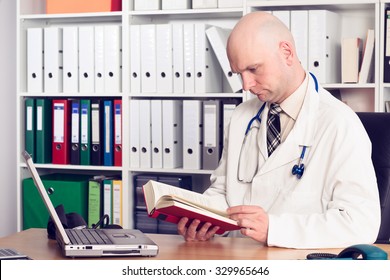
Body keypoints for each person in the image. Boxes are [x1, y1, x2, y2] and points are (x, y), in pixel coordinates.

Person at [177, 11, 381, 249]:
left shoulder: (339, 123)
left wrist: (274, 229)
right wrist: (204, 219)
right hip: (239, 260)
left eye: (253, 69)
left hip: (298, 265)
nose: (245, 85)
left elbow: (360, 224)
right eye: (238, 74)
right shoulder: (242, 116)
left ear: (287, 53)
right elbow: (224, 189)